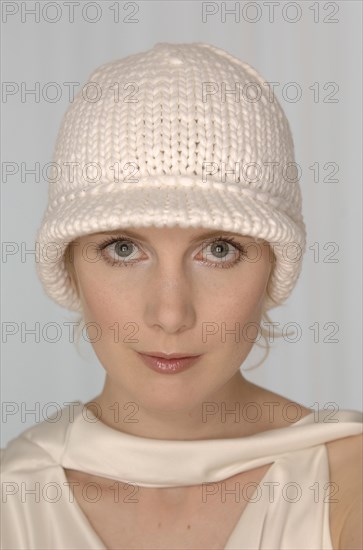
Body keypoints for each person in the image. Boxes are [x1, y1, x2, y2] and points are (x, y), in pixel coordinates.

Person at [1, 42, 362, 550]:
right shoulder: (14, 498)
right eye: (123, 249)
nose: (170, 315)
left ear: (275, 267)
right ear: (68, 266)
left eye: (218, 250)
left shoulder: (349, 484)